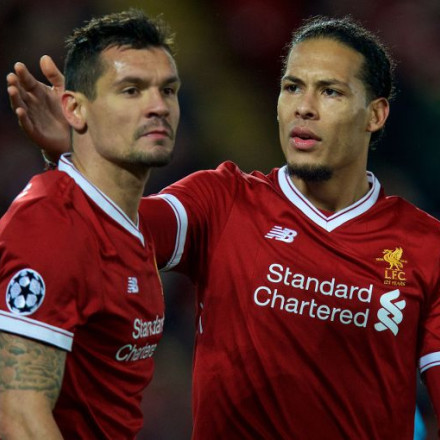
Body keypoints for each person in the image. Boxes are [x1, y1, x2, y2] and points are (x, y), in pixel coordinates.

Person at [6, 15, 439, 439]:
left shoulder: (425, 247)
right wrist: (82, 150)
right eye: (292, 87)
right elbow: (113, 227)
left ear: (375, 114)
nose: (304, 107)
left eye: (330, 91)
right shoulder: (223, 200)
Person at [0, 9, 180, 439]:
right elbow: (18, 417)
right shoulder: (49, 223)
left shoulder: (123, 221)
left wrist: (75, 145)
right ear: (74, 109)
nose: (158, 106)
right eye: (131, 90)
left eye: (168, 90)